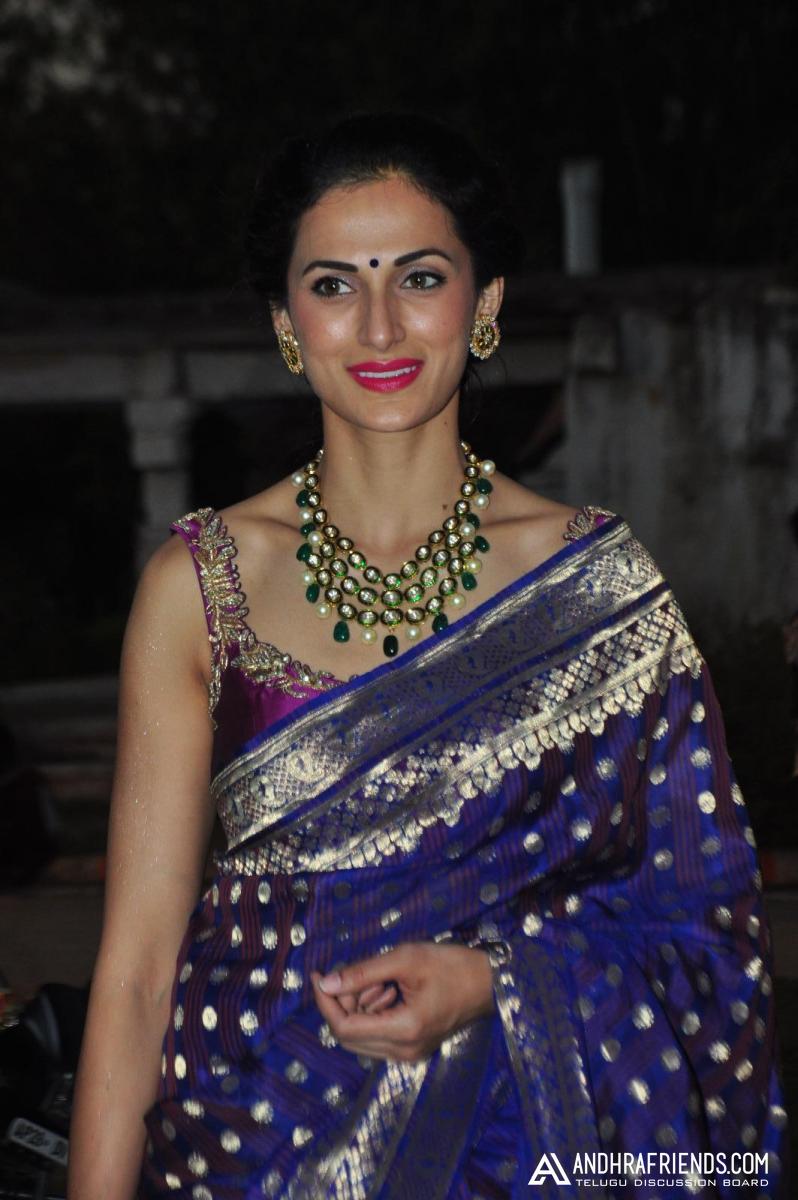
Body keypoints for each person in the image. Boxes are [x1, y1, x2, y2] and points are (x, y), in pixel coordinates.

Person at [68, 113, 790, 1200]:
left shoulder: (598, 592)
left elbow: (707, 940)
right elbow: (133, 979)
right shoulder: (199, 588)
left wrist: (495, 983)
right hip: (249, 1153)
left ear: (484, 304)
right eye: (332, 285)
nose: (378, 325)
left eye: (418, 277)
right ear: (284, 321)